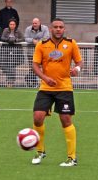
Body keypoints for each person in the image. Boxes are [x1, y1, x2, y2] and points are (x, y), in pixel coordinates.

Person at [31, 18, 83, 167]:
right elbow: (35, 65)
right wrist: (45, 78)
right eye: (56, 27)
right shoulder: (42, 45)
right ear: (51, 29)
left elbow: (79, 62)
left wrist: (77, 69)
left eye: (61, 27)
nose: (58, 29)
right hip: (46, 88)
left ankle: (72, 158)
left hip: (65, 88)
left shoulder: (71, 43)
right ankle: (40, 152)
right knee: (37, 117)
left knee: (66, 119)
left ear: (64, 29)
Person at [24, 18, 50, 87]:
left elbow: (47, 37)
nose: (34, 25)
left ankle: (42, 81)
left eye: (36, 23)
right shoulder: (28, 29)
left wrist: (38, 42)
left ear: (39, 23)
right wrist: (33, 40)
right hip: (31, 52)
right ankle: (33, 82)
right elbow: (26, 38)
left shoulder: (45, 28)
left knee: (42, 67)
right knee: (32, 67)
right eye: (33, 23)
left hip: (42, 52)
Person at [0, 18, 25, 87]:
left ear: (15, 25)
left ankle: (10, 81)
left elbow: (23, 38)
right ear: (9, 25)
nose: (12, 25)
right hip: (6, 50)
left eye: (13, 24)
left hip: (15, 51)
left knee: (12, 66)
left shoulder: (18, 31)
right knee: (4, 65)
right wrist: (8, 40)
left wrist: (16, 40)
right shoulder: (5, 30)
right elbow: (2, 38)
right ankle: (9, 79)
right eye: (11, 24)